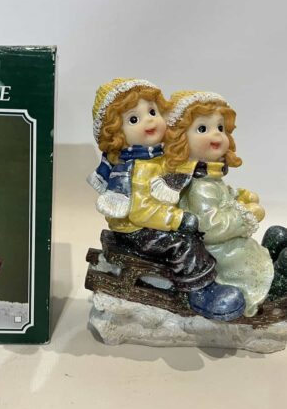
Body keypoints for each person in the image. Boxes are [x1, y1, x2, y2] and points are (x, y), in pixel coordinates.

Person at [87, 78, 245, 321]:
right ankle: (200, 291)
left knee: (195, 233)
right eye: (134, 119)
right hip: (136, 229)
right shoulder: (135, 168)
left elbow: (182, 172)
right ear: (116, 133)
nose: (149, 121)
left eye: (152, 112)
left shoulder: (157, 157)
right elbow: (142, 211)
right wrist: (177, 218)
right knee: (182, 243)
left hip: (153, 219)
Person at [165, 90, 273, 317]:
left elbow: (220, 198)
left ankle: (271, 267)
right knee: (249, 261)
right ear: (180, 139)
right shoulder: (199, 186)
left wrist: (238, 196)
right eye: (202, 129)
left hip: (227, 244)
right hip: (218, 253)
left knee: (266, 242)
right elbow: (210, 228)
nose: (216, 135)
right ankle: (266, 283)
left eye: (220, 128)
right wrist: (246, 215)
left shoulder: (208, 178)